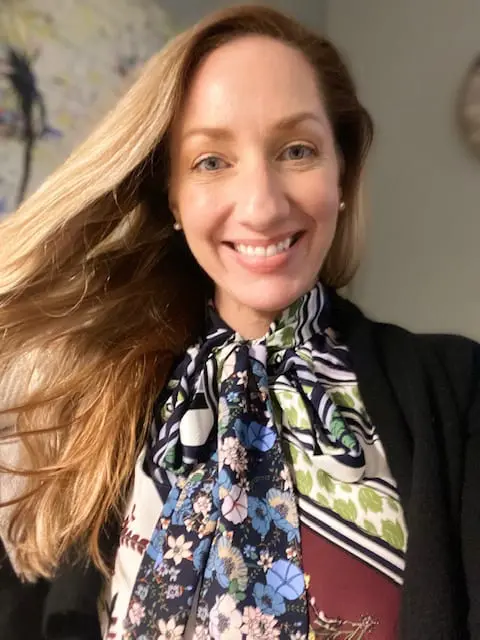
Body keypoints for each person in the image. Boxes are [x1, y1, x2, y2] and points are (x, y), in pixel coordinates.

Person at [0, 5, 478, 640]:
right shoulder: (94, 401)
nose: (260, 205)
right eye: (210, 161)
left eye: (297, 150)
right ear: (171, 195)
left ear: (343, 171)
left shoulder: (457, 389)